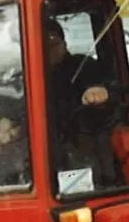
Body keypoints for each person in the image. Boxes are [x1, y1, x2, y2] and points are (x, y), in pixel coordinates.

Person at [43, 18, 119, 190]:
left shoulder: (83, 65)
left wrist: (98, 90)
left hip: (90, 139)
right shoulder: (24, 79)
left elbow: (103, 82)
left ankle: (109, 184)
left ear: (64, 43)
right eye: (43, 45)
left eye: (54, 42)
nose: (50, 50)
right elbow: (1, 99)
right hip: (52, 154)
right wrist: (1, 121)